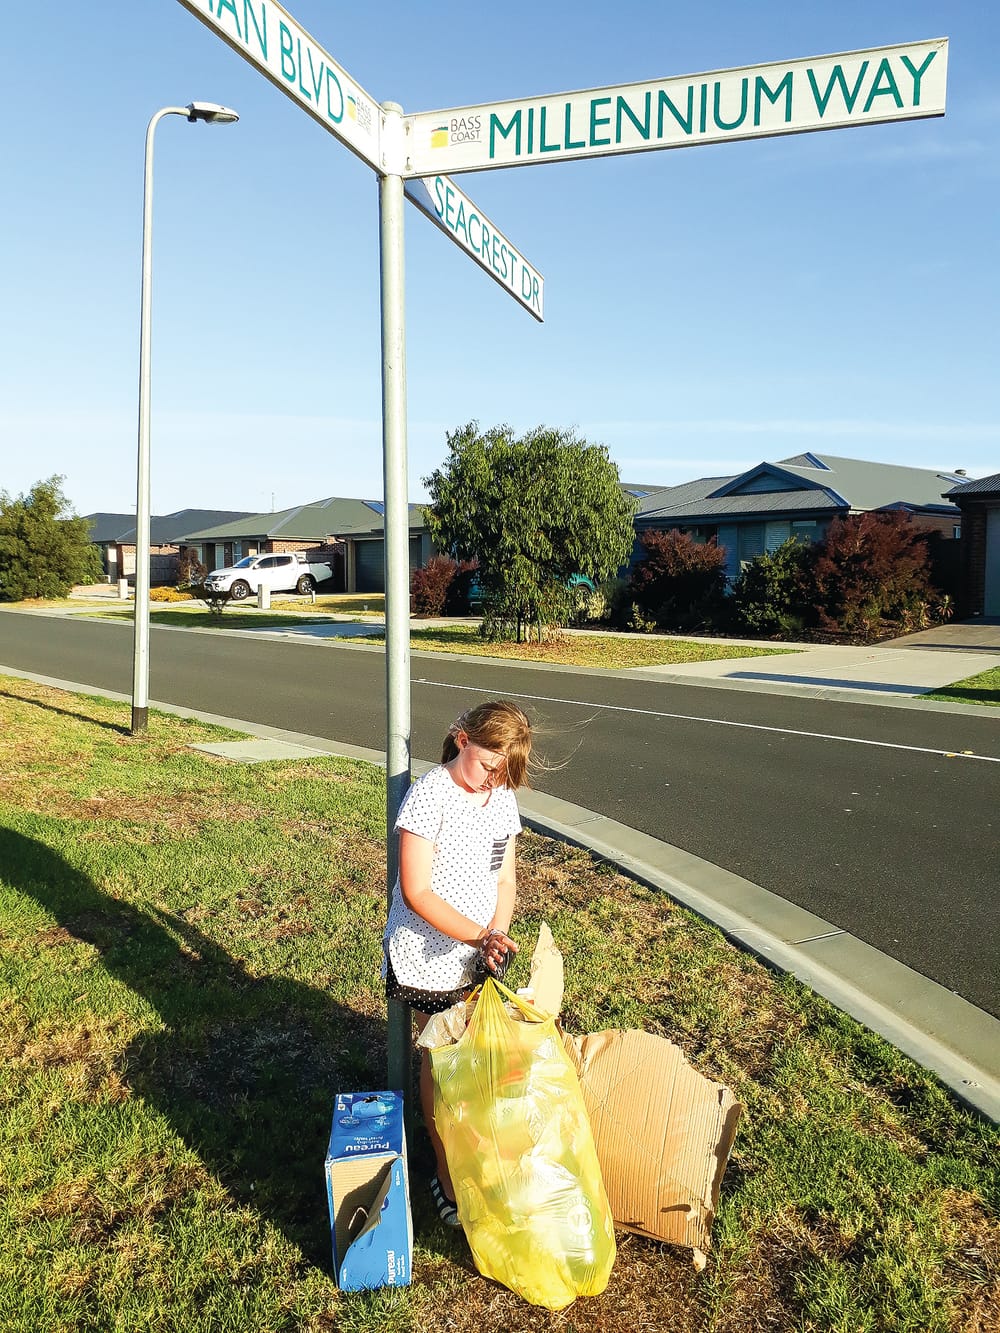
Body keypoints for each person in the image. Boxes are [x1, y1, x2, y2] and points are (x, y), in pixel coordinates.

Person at [382, 698, 533, 1227]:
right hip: (427, 956)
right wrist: (481, 935)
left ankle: (476, 1156)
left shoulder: (501, 796)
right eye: (488, 766)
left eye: (503, 773)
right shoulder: (431, 794)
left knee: (474, 1059)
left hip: (478, 952)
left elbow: (505, 878)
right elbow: (417, 890)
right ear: (463, 739)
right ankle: (445, 1174)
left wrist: (497, 935)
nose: (493, 781)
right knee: (445, 1062)